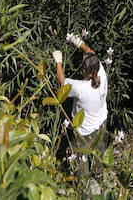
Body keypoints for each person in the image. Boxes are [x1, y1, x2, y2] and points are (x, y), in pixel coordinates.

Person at [53, 33, 107, 182]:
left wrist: (58, 60)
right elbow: (92, 54)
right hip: (101, 123)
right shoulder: (100, 71)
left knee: (80, 159)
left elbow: (61, 79)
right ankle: (99, 176)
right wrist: (79, 43)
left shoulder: (80, 88)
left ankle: (83, 185)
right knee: (99, 151)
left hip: (84, 132)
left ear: (85, 70)